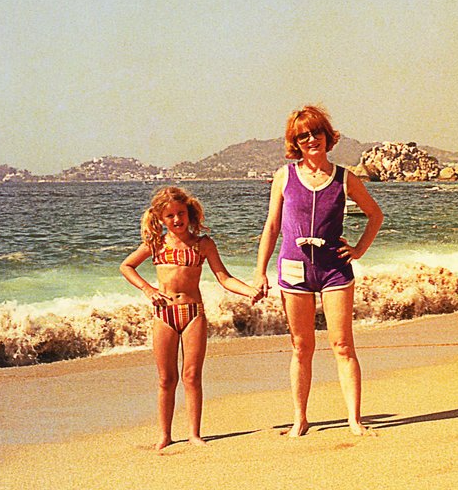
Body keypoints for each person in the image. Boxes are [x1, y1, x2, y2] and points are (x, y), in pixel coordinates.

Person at [254, 105, 383, 437]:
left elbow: (375, 215)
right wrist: (260, 271)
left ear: (327, 136)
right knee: (301, 346)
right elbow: (271, 227)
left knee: (342, 345)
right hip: (294, 270)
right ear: (295, 142)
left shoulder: (344, 178)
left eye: (316, 133)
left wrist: (357, 250)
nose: (311, 139)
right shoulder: (284, 176)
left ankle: (354, 419)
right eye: (303, 135)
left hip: (334, 271)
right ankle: (300, 418)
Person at [121, 186, 263, 449]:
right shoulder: (155, 244)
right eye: (170, 216)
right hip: (164, 314)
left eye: (181, 213)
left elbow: (224, 277)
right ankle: (164, 435)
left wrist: (249, 291)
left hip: (193, 314)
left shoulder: (203, 244)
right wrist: (148, 289)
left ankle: (194, 434)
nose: (176, 219)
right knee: (166, 379)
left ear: (190, 213)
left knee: (192, 375)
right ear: (160, 219)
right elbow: (126, 266)